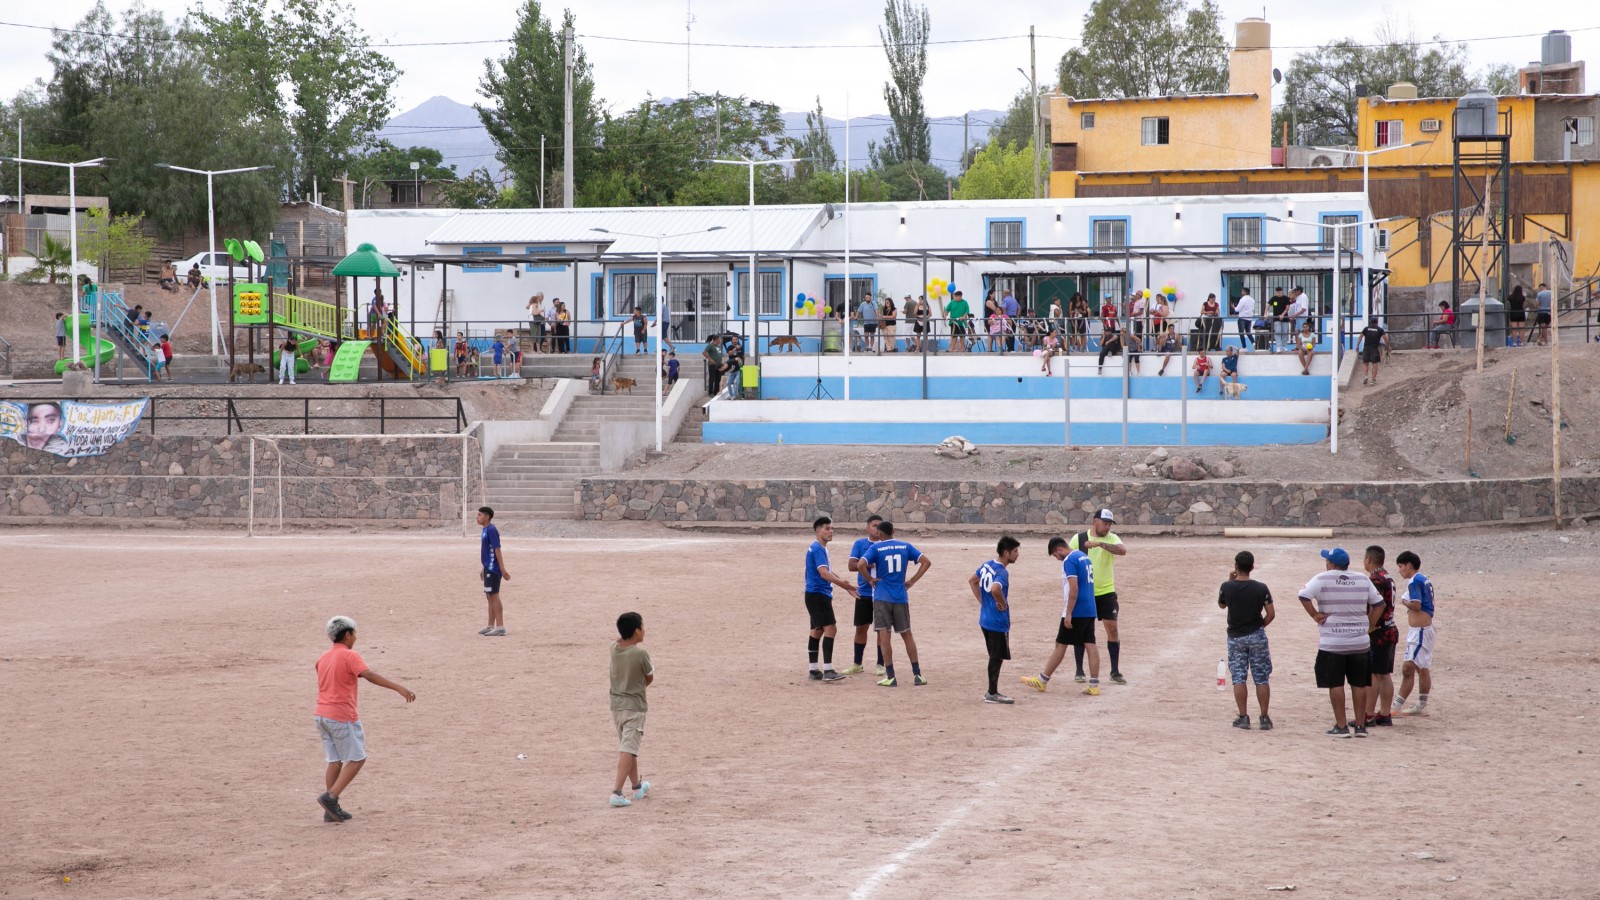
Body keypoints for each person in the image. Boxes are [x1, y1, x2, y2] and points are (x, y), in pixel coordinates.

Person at [313, 615, 416, 823]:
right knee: (357, 758)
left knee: (334, 761)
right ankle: (331, 797)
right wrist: (398, 687)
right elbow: (369, 675)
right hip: (341, 715)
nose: (355, 637)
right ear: (348, 634)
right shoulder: (350, 655)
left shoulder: (323, 657)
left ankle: (331, 809)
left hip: (321, 715)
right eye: (354, 633)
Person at [1297, 548, 1384, 738]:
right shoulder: (1362, 579)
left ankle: (1341, 725)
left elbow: (1303, 595)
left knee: (1335, 683)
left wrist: (1314, 614)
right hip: (1359, 641)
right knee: (1359, 684)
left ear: (1331, 564)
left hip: (1332, 640)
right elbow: (1379, 604)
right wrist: (1369, 624)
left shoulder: (1322, 578)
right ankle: (1360, 726)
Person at [1020, 535, 1101, 696]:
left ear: (1059, 549)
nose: (1057, 559)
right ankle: (1094, 685)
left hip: (1077, 609)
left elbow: (1074, 588)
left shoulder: (1069, 560)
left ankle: (1042, 680)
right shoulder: (1083, 556)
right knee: (1090, 644)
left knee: (1060, 644)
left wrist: (1069, 612)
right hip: (1090, 607)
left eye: (1055, 555)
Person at [859, 521, 931, 687]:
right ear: (893, 531)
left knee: (885, 636)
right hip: (900, 596)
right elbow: (926, 562)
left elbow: (861, 564)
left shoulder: (876, 548)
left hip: (882, 596)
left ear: (879, 533)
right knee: (907, 634)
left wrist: (870, 579)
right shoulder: (905, 546)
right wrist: (912, 581)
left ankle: (890, 675)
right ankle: (917, 674)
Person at [1067, 508, 1128, 683]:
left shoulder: (1112, 539)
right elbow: (1069, 561)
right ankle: (1079, 670)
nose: (1107, 527)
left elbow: (1122, 551)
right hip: (1085, 593)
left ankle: (1115, 671)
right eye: (1105, 523)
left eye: (1110, 524)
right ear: (1095, 521)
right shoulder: (1078, 539)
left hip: (1107, 592)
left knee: (1113, 630)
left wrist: (1101, 544)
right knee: (1083, 631)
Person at [1218, 550, 1274, 730]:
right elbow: (1271, 614)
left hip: (1236, 636)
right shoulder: (1261, 587)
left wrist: (1230, 580)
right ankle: (1264, 717)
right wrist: (1259, 627)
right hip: (1256, 635)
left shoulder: (1227, 586)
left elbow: (1222, 604)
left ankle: (1243, 716)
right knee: (1261, 677)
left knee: (1239, 677)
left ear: (1236, 566)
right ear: (1252, 567)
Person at [803, 516, 858, 683]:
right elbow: (824, 573)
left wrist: (844, 583)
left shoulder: (818, 548)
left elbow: (828, 571)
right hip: (819, 595)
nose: (831, 531)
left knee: (817, 630)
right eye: (827, 528)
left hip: (813, 595)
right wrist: (843, 585)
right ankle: (828, 670)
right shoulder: (818, 549)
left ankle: (814, 670)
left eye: (831, 528)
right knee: (831, 629)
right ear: (818, 531)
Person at [608, 611, 654, 808]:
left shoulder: (613, 648)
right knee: (628, 748)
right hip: (634, 707)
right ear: (636, 632)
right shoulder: (641, 653)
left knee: (629, 747)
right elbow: (649, 677)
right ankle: (617, 792)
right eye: (642, 627)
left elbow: (619, 640)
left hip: (617, 706)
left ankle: (636, 787)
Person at [972, 536, 1021, 704]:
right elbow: (995, 589)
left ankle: (992, 692)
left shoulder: (987, 565)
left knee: (994, 655)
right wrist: (1002, 603)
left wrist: (983, 602)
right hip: (997, 622)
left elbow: (972, 581)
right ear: (1006, 552)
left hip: (985, 618)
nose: (1017, 555)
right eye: (1015, 551)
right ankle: (992, 693)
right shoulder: (1002, 572)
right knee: (996, 657)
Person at [1392, 550, 1435, 717]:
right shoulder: (1424, 579)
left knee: (1408, 667)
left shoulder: (1414, 581)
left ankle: (1396, 706)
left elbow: (1416, 605)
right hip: (1425, 630)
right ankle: (1421, 704)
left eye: (1401, 566)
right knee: (1423, 668)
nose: (1400, 570)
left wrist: (1404, 601)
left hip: (1419, 632)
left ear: (1409, 565)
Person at [1362, 546, 1399, 728]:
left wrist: (1370, 626)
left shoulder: (1375, 579)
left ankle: (1368, 714)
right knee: (1384, 674)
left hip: (1379, 631)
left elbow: (1379, 604)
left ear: (1368, 560)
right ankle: (1384, 713)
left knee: (1374, 674)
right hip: (1390, 628)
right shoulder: (1387, 576)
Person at [844, 515, 885, 676]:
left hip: (882, 593)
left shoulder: (886, 545)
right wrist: (870, 563)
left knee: (881, 629)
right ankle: (857, 663)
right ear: (867, 528)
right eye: (874, 525)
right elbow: (851, 565)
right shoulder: (860, 544)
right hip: (864, 592)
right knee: (861, 628)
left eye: (880, 526)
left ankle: (880, 664)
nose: (877, 528)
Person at [476, 506, 510, 636]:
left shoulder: (491, 530)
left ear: (487, 517)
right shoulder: (485, 530)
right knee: (489, 596)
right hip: (488, 567)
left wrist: (502, 569)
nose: (477, 518)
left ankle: (500, 626)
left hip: (494, 569)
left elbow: (497, 549)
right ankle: (490, 625)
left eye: (479, 515)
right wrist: (483, 568)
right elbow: (487, 552)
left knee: (494, 596)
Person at [1357, 316, 1388, 386]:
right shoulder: (1380, 330)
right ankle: (1373, 380)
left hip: (1366, 349)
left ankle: (1365, 376)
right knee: (1375, 364)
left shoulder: (1366, 329)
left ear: (1370, 321)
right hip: (1374, 349)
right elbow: (1385, 338)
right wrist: (1388, 346)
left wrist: (1357, 346)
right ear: (1377, 322)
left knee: (1365, 363)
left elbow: (1360, 337)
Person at [1097, 298, 1123, 374]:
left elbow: (1116, 316)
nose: (1109, 300)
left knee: (1113, 340)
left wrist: (1119, 324)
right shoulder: (1104, 307)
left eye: (1110, 298)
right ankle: (1100, 368)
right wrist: (1104, 325)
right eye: (1108, 298)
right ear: (1105, 299)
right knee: (1103, 351)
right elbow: (1102, 316)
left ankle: (1111, 351)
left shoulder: (1114, 307)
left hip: (1112, 326)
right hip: (1107, 324)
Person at [1268, 287, 1291, 353]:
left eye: (1279, 292)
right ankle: (1278, 346)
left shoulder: (1286, 298)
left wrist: (1283, 314)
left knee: (1284, 332)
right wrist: (1265, 313)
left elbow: (1287, 308)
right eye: (1277, 292)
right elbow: (1268, 305)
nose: (1278, 293)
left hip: (1285, 318)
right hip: (1276, 318)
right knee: (1277, 331)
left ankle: (1284, 346)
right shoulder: (1274, 298)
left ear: (1282, 291)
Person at [1233, 288, 1257, 352]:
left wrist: (1234, 308)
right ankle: (1254, 343)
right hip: (1249, 318)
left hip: (1242, 318)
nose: (1241, 292)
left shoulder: (1242, 299)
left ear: (1244, 292)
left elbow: (1237, 309)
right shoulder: (1252, 300)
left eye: (1242, 291)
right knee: (1248, 332)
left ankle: (1244, 347)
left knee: (1241, 333)